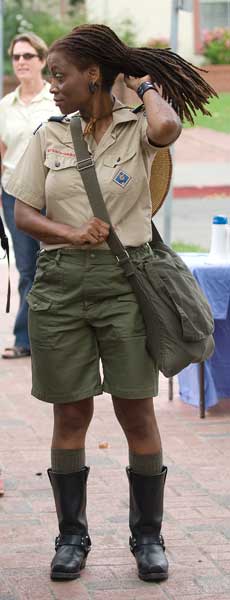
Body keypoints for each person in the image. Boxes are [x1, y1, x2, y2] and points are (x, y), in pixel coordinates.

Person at [5, 24, 216, 582]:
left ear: (93, 75)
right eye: (48, 75)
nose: (52, 85)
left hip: (127, 284)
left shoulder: (137, 129)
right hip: (61, 284)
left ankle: (148, 538)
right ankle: (71, 537)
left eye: (61, 75)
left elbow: (168, 127)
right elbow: (22, 210)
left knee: (135, 410)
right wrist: (69, 234)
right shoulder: (50, 136)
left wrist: (144, 82)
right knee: (70, 412)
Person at [0, 32, 59, 359]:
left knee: (55, 265)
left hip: (53, 194)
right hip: (14, 196)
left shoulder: (55, 100)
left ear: (41, 60)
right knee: (26, 268)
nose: (21, 62)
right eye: (16, 57)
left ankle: (57, 337)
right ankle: (26, 339)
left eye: (27, 56)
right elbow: (2, 151)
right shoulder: (5, 106)